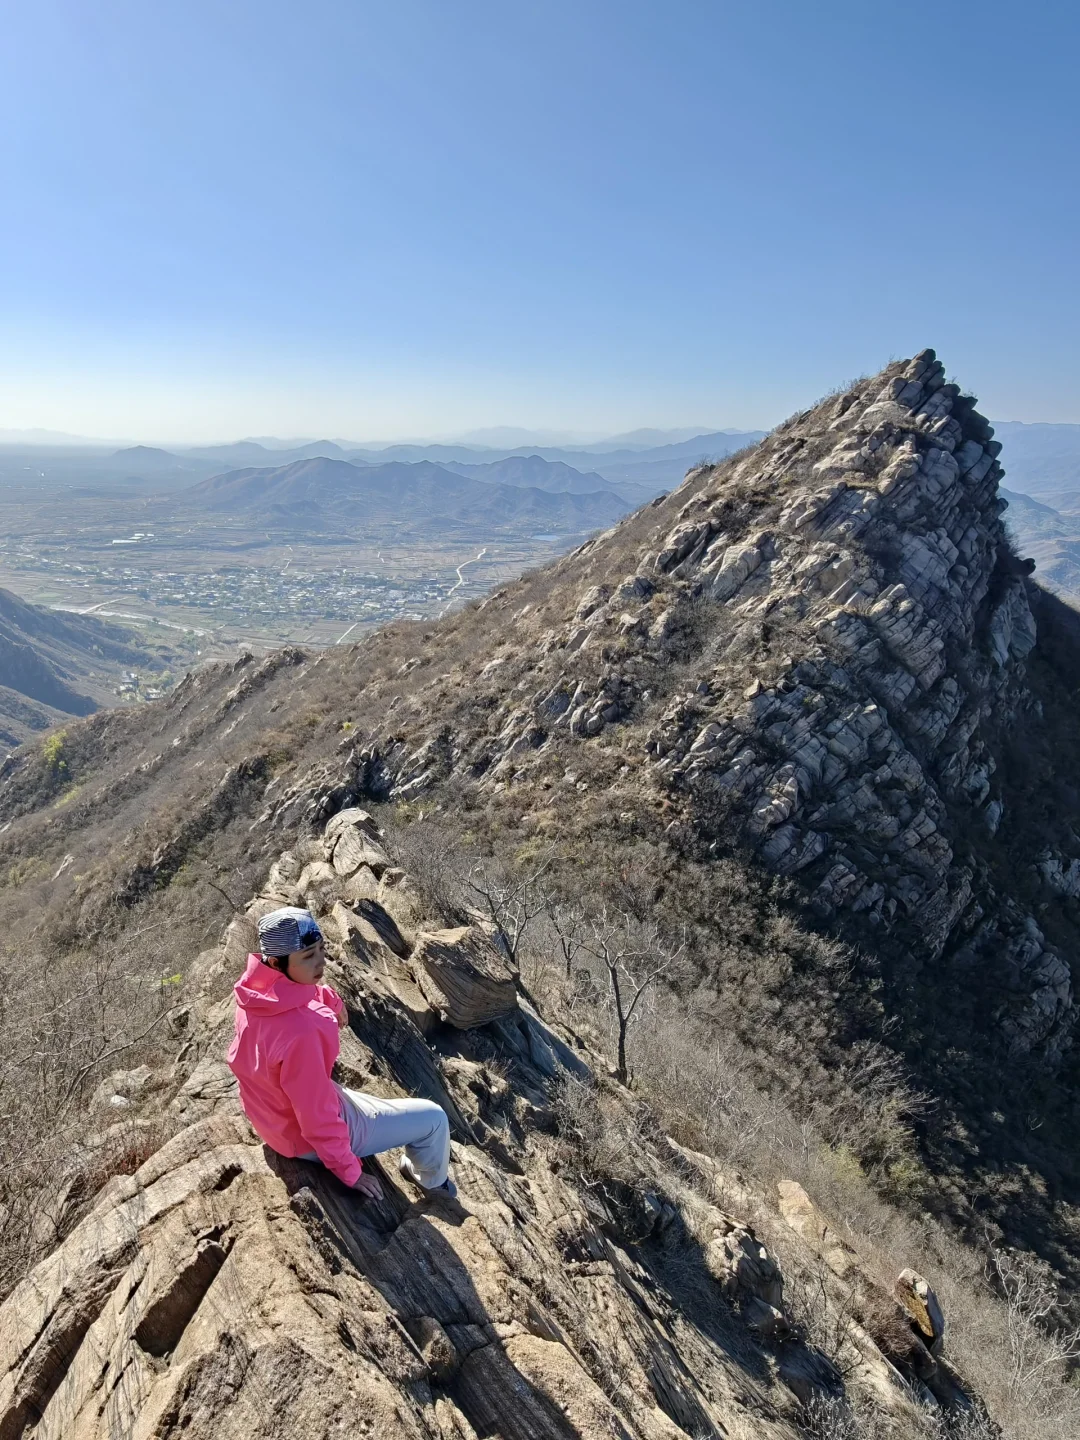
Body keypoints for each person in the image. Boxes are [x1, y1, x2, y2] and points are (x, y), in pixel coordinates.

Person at [226, 905, 456, 1199]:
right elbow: (316, 1116)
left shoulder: (254, 997)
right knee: (434, 1119)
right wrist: (350, 1171)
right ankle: (430, 1181)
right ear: (275, 962)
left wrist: (331, 1000)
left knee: (386, 1109)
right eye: (308, 956)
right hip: (305, 1136)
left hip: (274, 1121)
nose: (321, 961)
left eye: (321, 949)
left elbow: (298, 998)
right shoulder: (302, 1033)